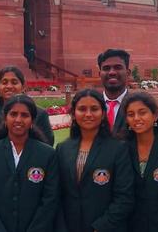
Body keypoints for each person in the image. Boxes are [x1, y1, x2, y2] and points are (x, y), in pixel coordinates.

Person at [0, 94, 59, 232]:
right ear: (5, 118)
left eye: (25, 115)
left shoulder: (47, 154)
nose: (18, 119)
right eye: (13, 114)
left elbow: (50, 199)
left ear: (32, 120)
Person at [55, 89, 134, 232]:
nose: (88, 114)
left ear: (103, 113)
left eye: (94, 109)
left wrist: (100, 227)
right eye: (82, 109)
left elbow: (124, 197)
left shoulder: (118, 149)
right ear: (73, 113)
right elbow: (56, 194)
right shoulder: (63, 149)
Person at [120, 91, 158, 232]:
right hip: (130, 225)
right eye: (131, 114)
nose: (136, 118)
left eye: (142, 112)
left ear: (155, 116)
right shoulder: (122, 150)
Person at [0, 67, 54, 146]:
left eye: (14, 82)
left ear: (23, 87)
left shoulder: (40, 114)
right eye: (4, 83)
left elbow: (47, 145)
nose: (9, 86)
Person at [96, 49, 132, 135]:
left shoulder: (138, 104)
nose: (112, 72)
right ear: (99, 74)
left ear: (128, 73)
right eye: (106, 68)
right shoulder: (92, 106)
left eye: (118, 67)